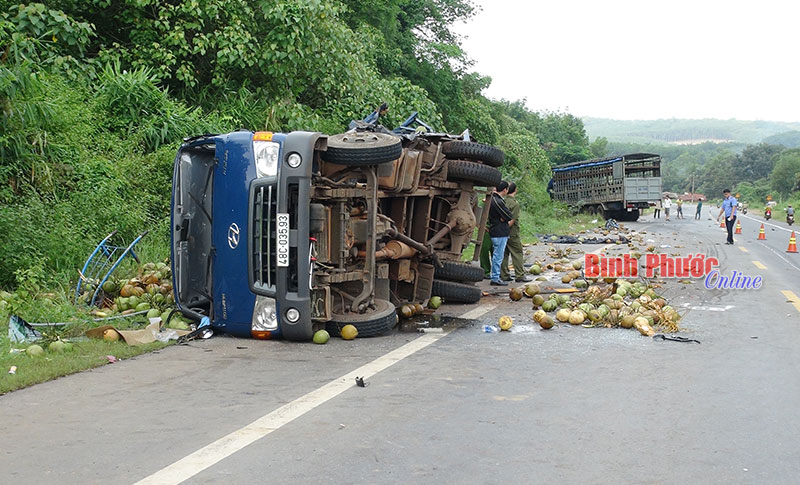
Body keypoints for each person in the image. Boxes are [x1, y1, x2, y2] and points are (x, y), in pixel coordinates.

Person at [500, 183, 531, 282]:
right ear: (515, 190)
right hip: (512, 233)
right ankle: (519, 275)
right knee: (517, 253)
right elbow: (512, 220)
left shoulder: (502, 201)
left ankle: (504, 275)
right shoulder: (514, 204)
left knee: (504, 254)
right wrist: (505, 228)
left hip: (501, 232)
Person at [488, 181, 514, 286]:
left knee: (497, 255)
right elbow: (508, 215)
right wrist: (504, 218)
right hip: (499, 231)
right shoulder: (497, 201)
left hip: (495, 230)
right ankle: (495, 277)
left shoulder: (492, 199)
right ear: (505, 190)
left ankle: (495, 276)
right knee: (498, 256)